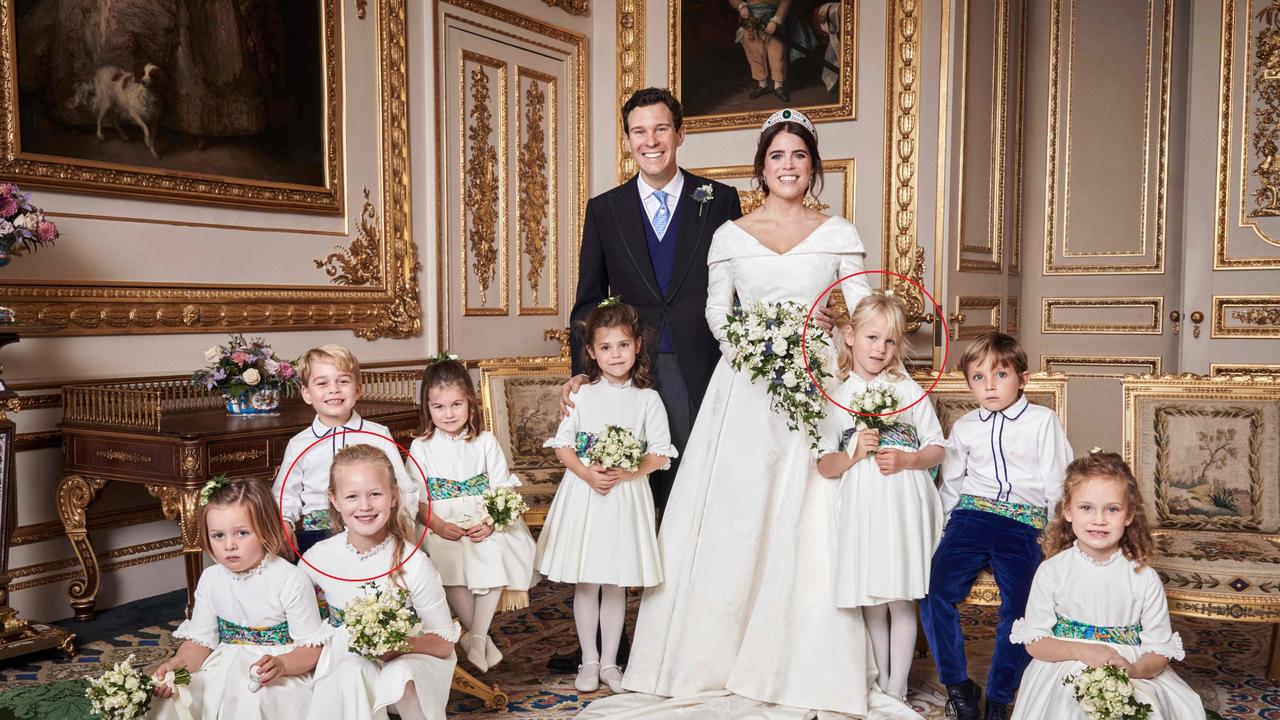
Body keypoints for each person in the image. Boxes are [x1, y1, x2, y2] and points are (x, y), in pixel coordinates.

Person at [580, 108, 921, 720]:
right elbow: (717, 313)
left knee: (810, 507)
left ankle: (805, 650)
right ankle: (711, 652)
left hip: (815, 381)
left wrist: (842, 340)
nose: (787, 166)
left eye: (798, 155)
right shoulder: (732, 234)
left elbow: (862, 308)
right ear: (761, 167)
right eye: (776, 156)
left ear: (813, 165)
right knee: (733, 512)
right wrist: (758, 346)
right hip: (746, 383)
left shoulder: (838, 231)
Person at [553, 86, 740, 674]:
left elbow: (737, 291)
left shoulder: (721, 200)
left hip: (697, 367)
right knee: (629, 502)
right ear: (627, 139)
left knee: (691, 496)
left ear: (680, 134)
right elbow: (588, 301)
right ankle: (618, 641)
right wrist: (583, 375)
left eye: (661, 129)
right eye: (639, 131)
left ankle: (684, 631)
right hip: (624, 378)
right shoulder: (604, 209)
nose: (650, 141)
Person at [920, 332, 1074, 720]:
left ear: (1022, 378)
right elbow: (951, 485)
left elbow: (1058, 481)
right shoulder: (966, 426)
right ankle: (958, 686)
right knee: (934, 591)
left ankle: (1000, 694)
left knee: (1022, 607)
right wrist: (939, 535)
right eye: (977, 377)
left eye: (1000, 375)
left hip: (1023, 523)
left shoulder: (1043, 421)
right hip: (971, 517)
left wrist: (1057, 535)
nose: (988, 386)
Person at [537, 299, 674, 694]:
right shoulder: (581, 395)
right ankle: (589, 659)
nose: (616, 355)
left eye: (623, 346)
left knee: (615, 582)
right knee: (587, 581)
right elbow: (563, 446)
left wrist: (629, 472)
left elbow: (660, 451)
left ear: (637, 348)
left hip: (625, 498)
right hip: (586, 496)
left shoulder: (647, 400)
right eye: (606, 347)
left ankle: (612, 662)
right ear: (592, 353)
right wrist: (586, 473)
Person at [815, 292, 945, 702]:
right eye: (872, 338)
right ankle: (882, 677)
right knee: (872, 595)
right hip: (862, 504)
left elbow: (937, 448)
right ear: (850, 336)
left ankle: (898, 684)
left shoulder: (907, 390)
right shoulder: (837, 395)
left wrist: (908, 460)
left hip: (903, 500)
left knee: (901, 596)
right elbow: (823, 464)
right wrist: (854, 454)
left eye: (889, 342)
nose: (880, 349)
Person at [1008, 452, 1204, 719]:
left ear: (1128, 514)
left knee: (1143, 707)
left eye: (1112, 509)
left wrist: (1132, 671)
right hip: (1065, 662)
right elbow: (1035, 642)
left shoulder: (1144, 578)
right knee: (1069, 706)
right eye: (1086, 508)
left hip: (1129, 666)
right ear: (1067, 510)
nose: (1099, 519)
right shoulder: (1052, 571)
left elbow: (1158, 652)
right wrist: (1082, 651)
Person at [148, 477, 328, 720]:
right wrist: (177, 665)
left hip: (277, 671)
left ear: (265, 529)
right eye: (218, 535)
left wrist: (282, 664)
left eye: (241, 533)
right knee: (174, 696)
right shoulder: (211, 579)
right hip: (222, 666)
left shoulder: (290, 580)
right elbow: (201, 642)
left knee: (251, 699)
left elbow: (311, 650)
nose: (229, 545)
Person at [301, 444, 459, 720]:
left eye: (375, 494)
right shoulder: (318, 558)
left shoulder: (413, 562)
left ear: (393, 497)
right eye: (351, 496)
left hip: (409, 657)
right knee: (353, 670)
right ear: (335, 501)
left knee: (402, 674)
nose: (365, 506)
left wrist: (399, 646)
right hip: (347, 659)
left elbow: (443, 641)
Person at [408, 355, 536, 674]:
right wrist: (437, 524)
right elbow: (414, 501)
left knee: (493, 553)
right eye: (439, 407)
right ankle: (479, 639)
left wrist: (491, 522)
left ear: (469, 402)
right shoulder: (421, 446)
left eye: (456, 404)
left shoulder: (485, 442)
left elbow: (504, 488)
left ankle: (475, 637)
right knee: (445, 560)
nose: (449, 414)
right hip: (442, 523)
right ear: (428, 407)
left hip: (483, 516)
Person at [272, 345, 427, 557]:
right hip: (318, 535)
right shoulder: (299, 444)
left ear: (356, 390)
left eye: (343, 381)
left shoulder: (378, 435)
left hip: (373, 529)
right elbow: (284, 495)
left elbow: (404, 487)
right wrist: (285, 523)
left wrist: (402, 529)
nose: (334, 389)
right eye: (322, 383)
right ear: (307, 394)